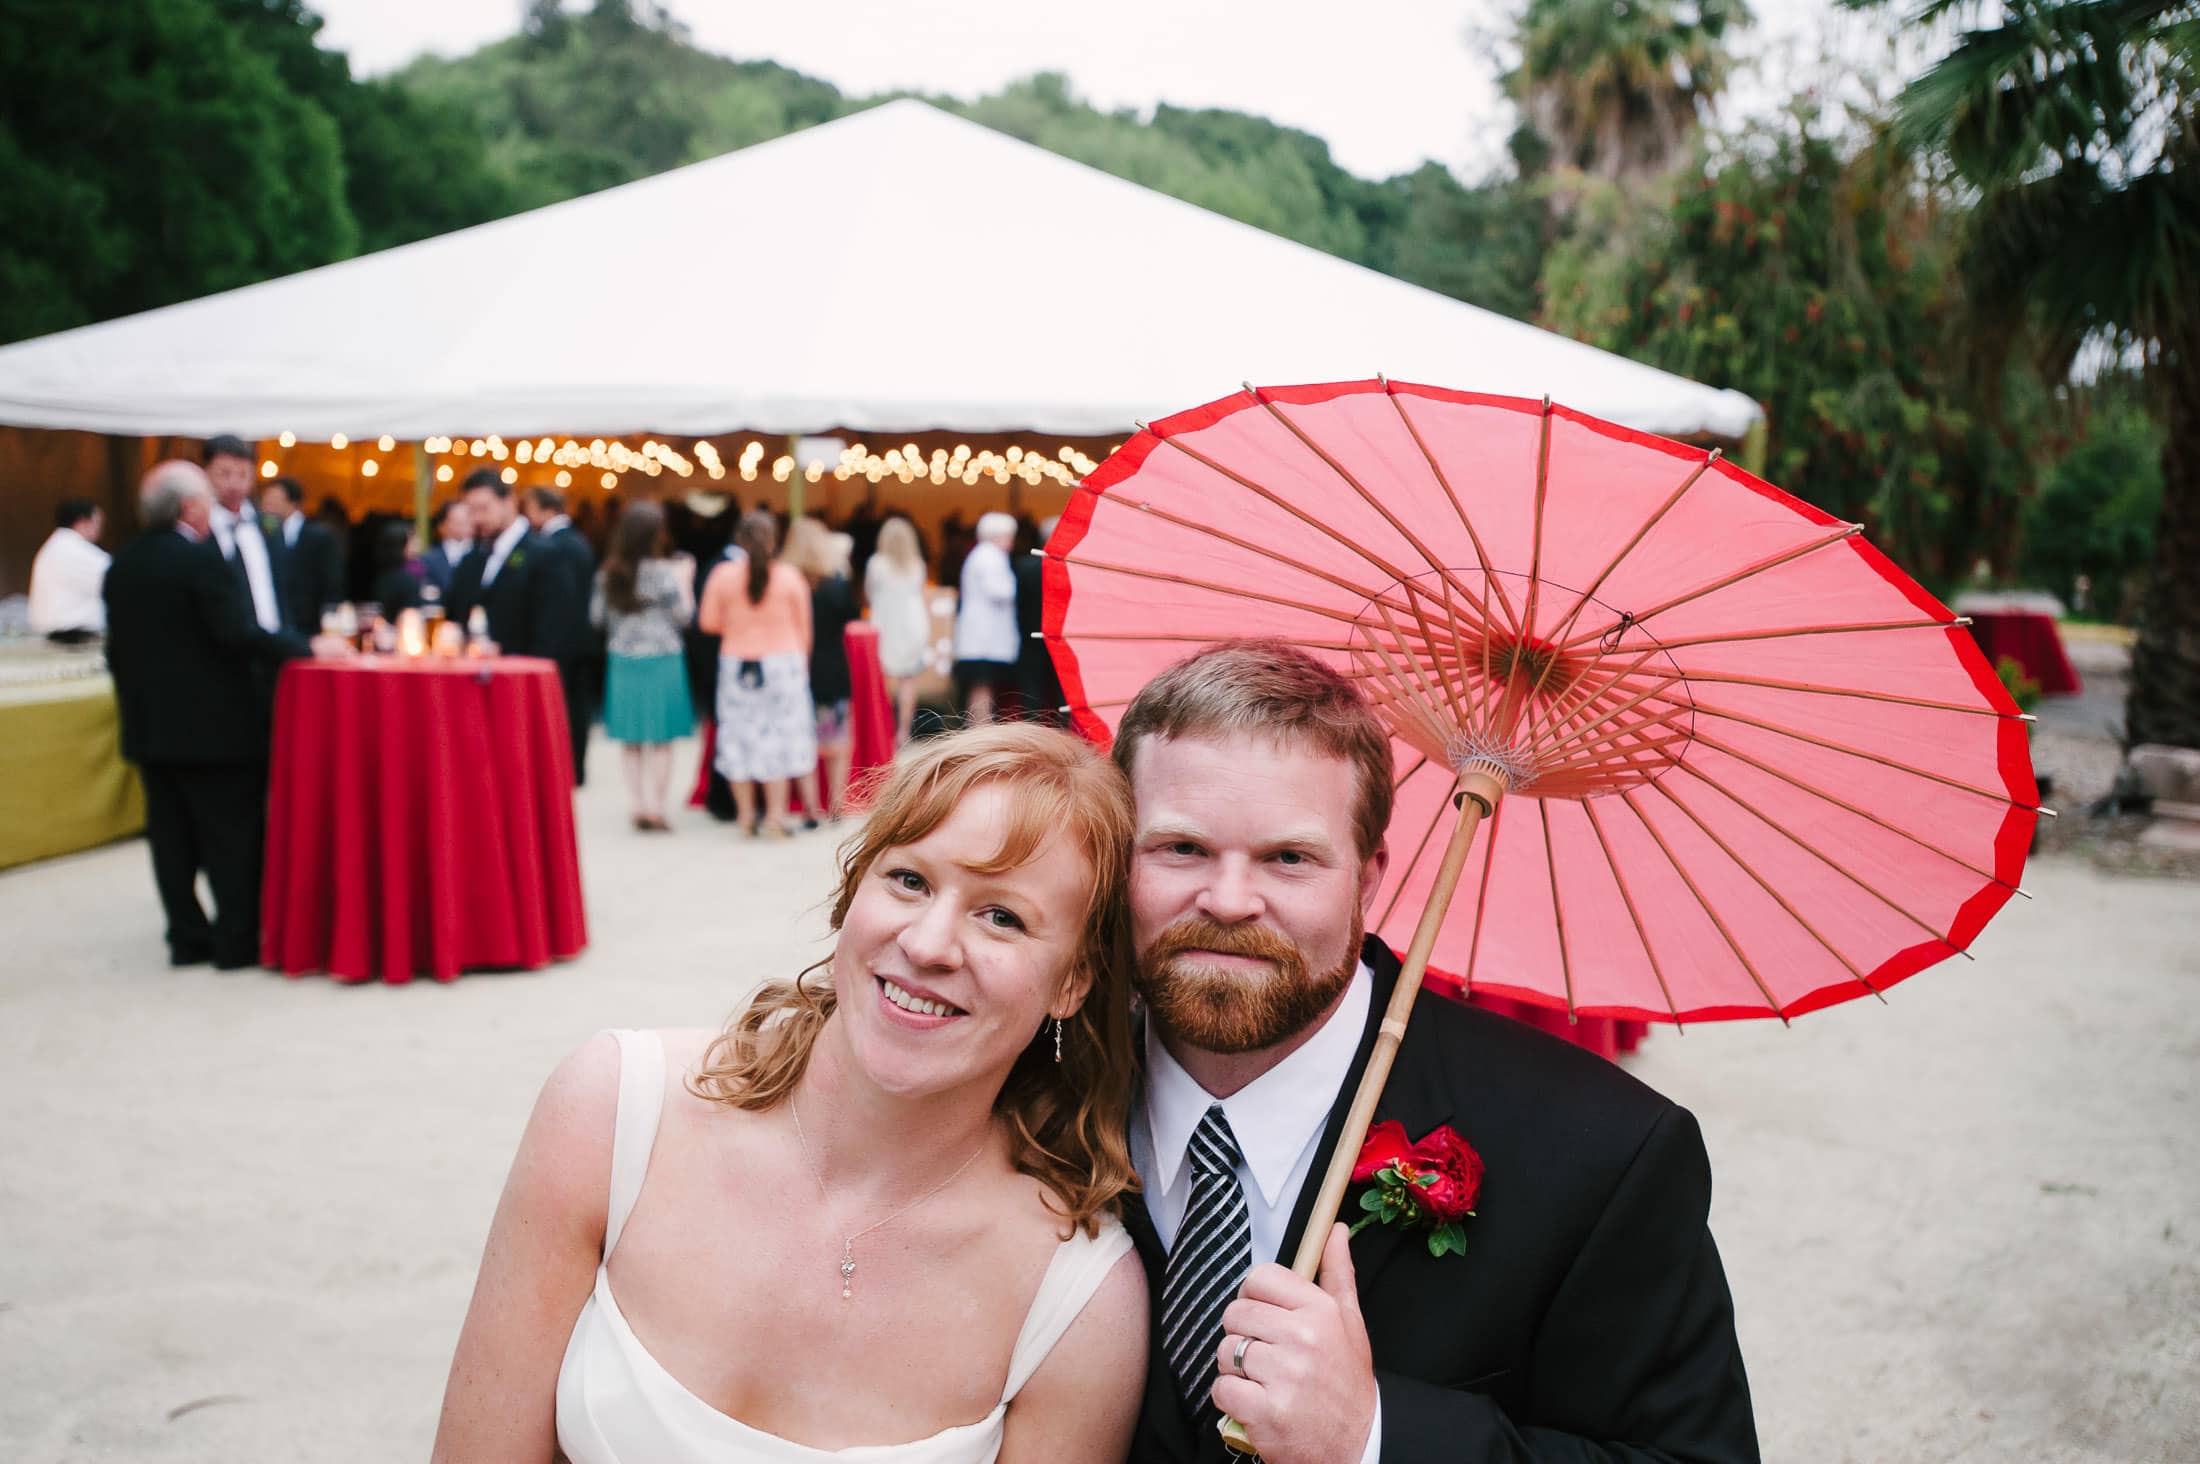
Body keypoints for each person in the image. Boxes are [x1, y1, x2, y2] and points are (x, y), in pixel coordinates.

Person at [431, 724, 1149, 1463]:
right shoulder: (611, 1113)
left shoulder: (1078, 1307)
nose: (928, 944)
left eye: (1003, 917)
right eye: (910, 881)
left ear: (1072, 982)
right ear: (854, 890)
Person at [1115, 641, 1758, 1464]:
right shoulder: (1027, 1084)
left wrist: (1373, 1438)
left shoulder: (1604, 1154)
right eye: (1181, 849)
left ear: (1368, 876)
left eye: (1289, 858)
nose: (1230, 900)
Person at [102, 461, 329, 970]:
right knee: (231, 836)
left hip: (149, 726)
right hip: (214, 729)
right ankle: (235, 941)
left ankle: (186, 936)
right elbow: (236, 633)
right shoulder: (199, 561)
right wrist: (304, 648)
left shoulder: (122, 563)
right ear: (189, 508)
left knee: (170, 836)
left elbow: (117, 650)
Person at [697, 510, 816, 839]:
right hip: (783, 663)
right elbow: (804, 630)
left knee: (738, 736)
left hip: (738, 662)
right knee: (780, 735)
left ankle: (746, 815)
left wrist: (738, 623)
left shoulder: (722, 575)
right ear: (774, 540)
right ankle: (776, 816)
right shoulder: (790, 577)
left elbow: (707, 622)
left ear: (740, 540)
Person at [591, 499, 695, 832]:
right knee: (662, 739)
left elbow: (597, 617)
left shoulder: (608, 574)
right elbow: (684, 616)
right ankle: (657, 807)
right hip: (663, 657)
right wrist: (686, 582)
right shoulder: (666, 573)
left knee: (631, 739)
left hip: (624, 658)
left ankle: (637, 804)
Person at [526, 485, 601, 786]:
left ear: (545, 509)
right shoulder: (576, 540)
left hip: (564, 642)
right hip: (580, 639)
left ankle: (569, 769)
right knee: (576, 706)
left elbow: (563, 600)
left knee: (567, 707)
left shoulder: (558, 546)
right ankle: (574, 768)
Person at [788, 516, 858, 820]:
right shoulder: (836, 586)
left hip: (794, 668)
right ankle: (836, 804)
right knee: (836, 740)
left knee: (802, 740)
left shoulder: (786, 584)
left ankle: (811, 805)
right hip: (831, 667)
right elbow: (852, 618)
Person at [448, 470, 555, 657]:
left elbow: (553, 633)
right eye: (471, 511)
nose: (478, 519)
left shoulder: (545, 554)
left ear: (509, 501)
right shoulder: (471, 559)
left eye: (484, 508)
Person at [202, 434, 288, 635]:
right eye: (224, 474)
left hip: (273, 641)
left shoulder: (267, 526)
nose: (234, 484)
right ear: (206, 473)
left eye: (243, 475)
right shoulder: (200, 530)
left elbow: (284, 588)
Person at [866, 514, 931, 746]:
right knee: (908, 681)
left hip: (885, 625)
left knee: (883, 680)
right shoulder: (917, 565)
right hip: (912, 624)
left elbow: (869, 594)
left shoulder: (876, 564)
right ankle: (903, 731)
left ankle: (883, 728)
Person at [954, 511, 1020, 725]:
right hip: (985, 637)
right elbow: (1001, 591)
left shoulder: (980, 555)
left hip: (980, 635)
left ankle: (979, 725)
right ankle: (981, 726)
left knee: (981, 686)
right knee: (983, 685)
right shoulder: (991, 557)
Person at [261, 475, 344, 630]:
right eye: (265, 501)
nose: (267, 506)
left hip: (311, 624)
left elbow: (332, 585)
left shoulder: (320, 536)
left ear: (293, 503)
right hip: (277, 624)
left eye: (273, 500)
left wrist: (329, 623)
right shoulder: (265, 535)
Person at [27, 497, 110, 642]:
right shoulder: (76, 550)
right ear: (82, 522)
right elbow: (118, 579)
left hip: (53, 633)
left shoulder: (54, 547)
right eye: (98, 522)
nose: (100, 530)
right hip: (74, 636)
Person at [1015, 515, 1065, 727]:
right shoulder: (1067, 567)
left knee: (1031, 691)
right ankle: (1063, 731)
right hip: (1060, 635)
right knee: (1063, 691)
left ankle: (1032, 732)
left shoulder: (1025, 566)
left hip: (1030, 634)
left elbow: (1017, 603)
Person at [367, 521, 426, 615]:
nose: (417, 543)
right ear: (399, 544)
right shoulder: (405, 579)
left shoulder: (380, 574)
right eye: (411, 540)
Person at [422, 498, 473, 600]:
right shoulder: (428, 560)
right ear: (441, 526)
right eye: (457, 521)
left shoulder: (485, 553)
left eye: (467, 520)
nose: (464, 525)